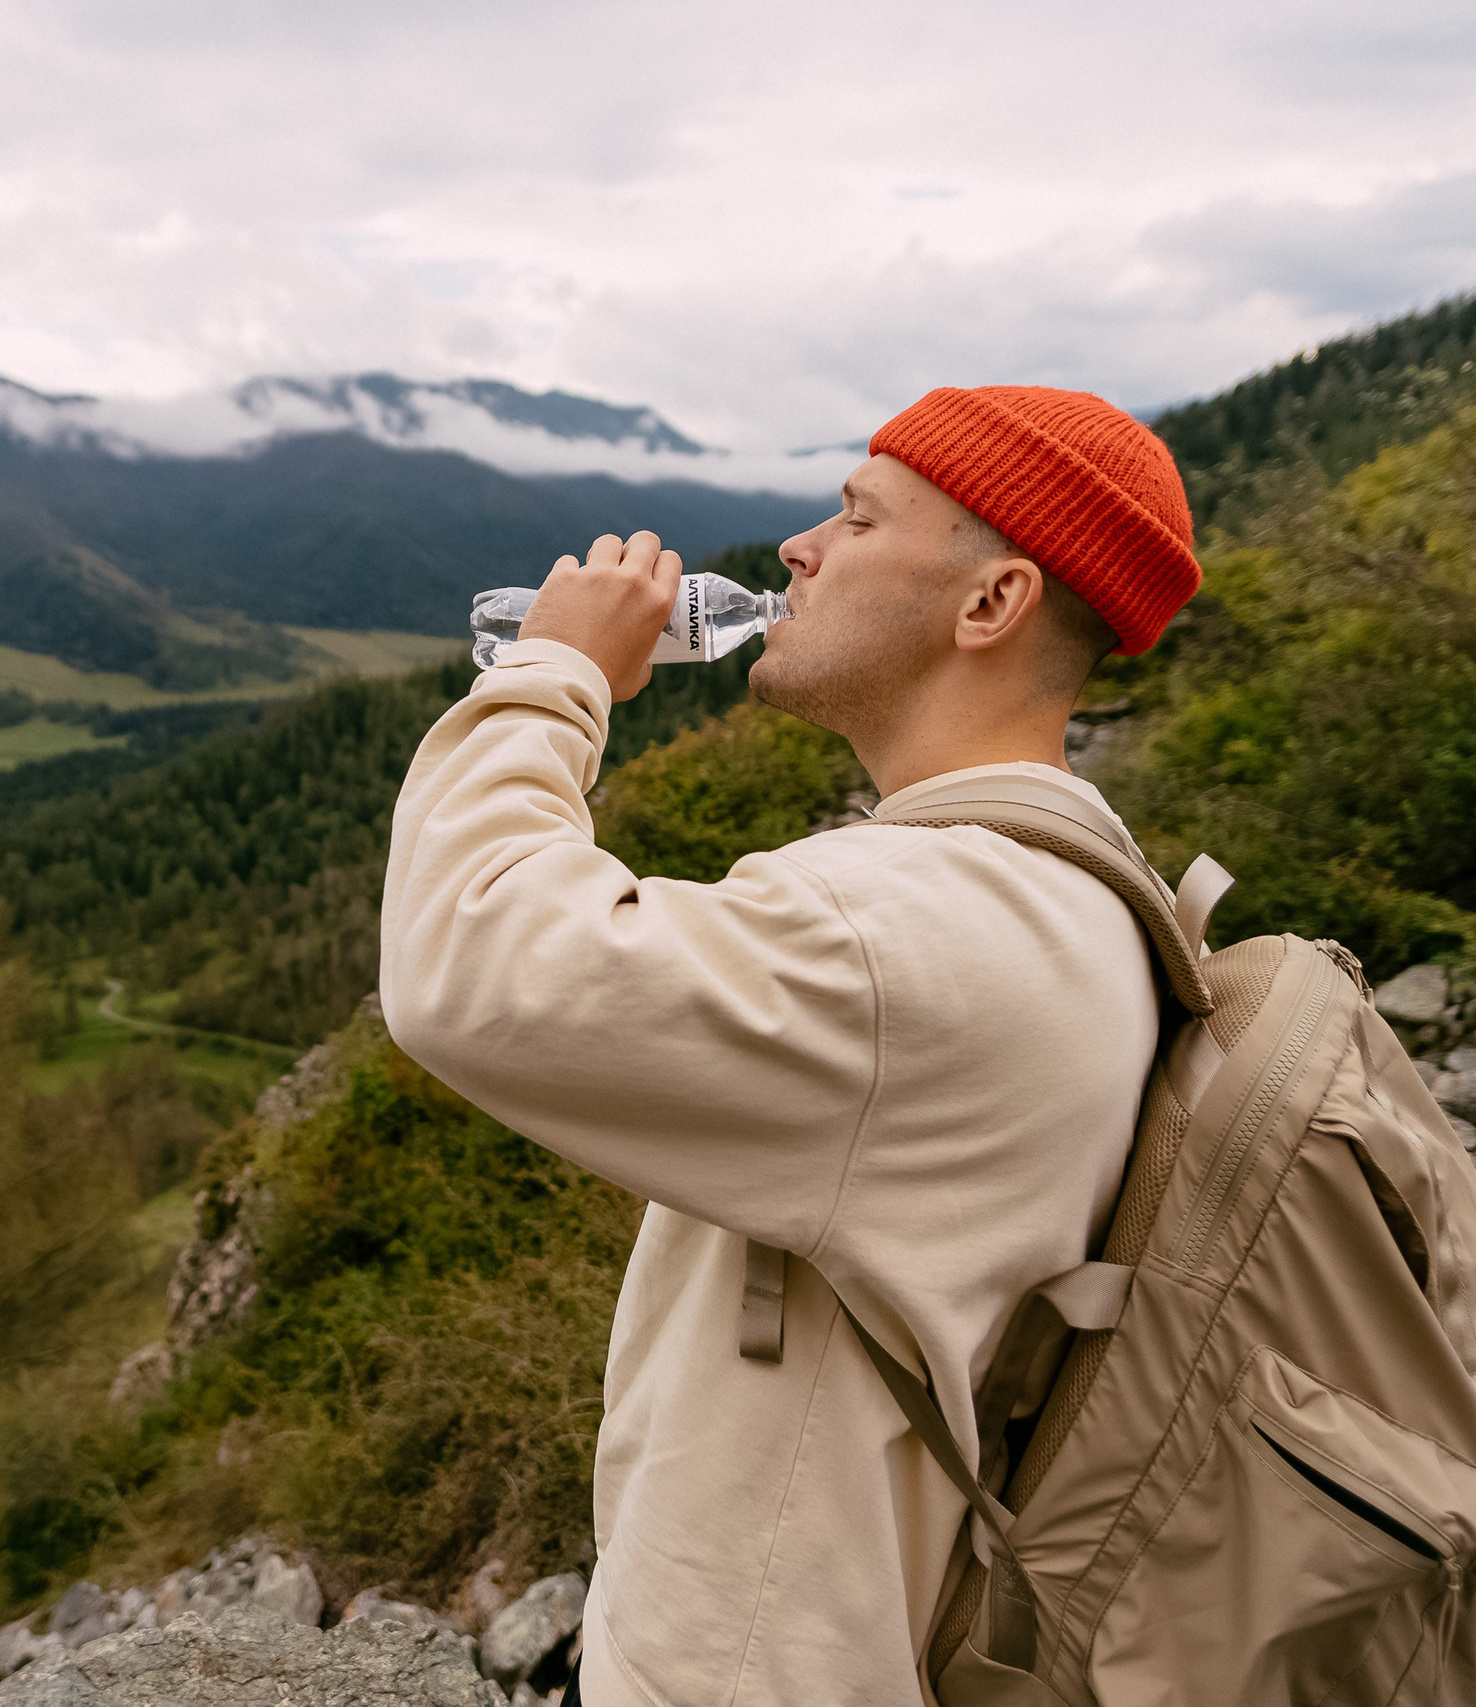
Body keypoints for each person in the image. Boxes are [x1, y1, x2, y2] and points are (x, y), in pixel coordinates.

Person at [379, 387, 1206, 1707]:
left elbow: (467, 961)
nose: (796, 550)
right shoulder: (1084, 893)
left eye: (858, 517)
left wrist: (553, 675)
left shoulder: (909, 927)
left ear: (989, 605)